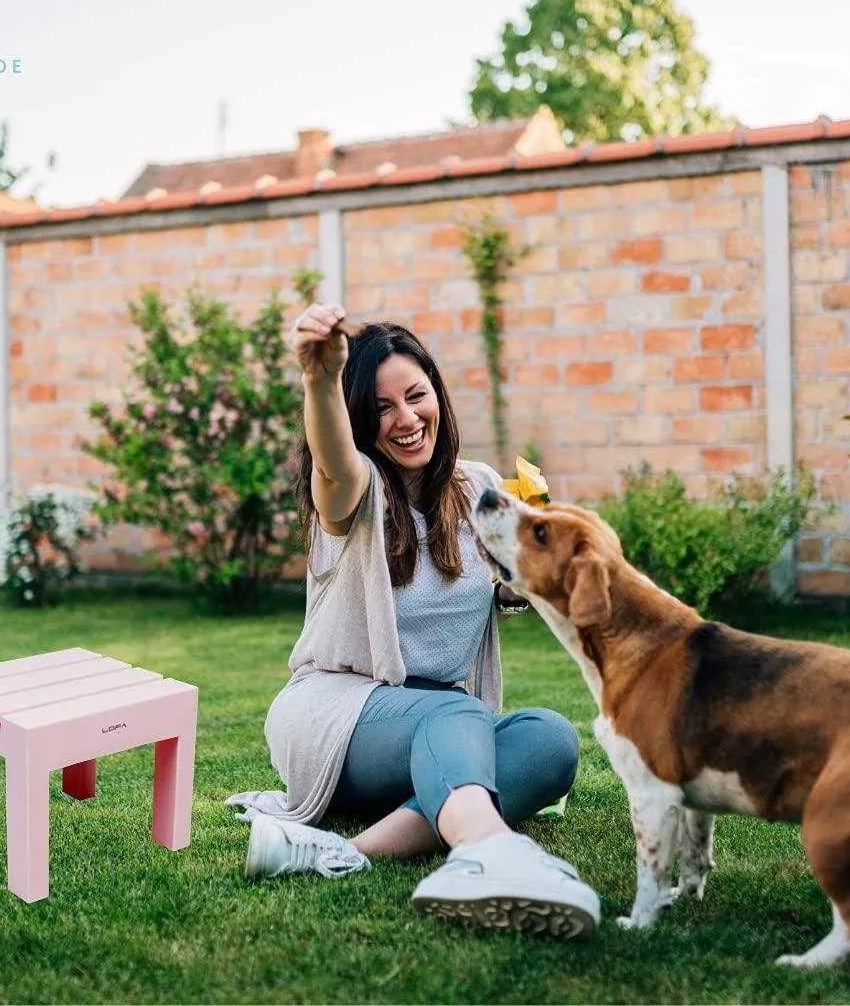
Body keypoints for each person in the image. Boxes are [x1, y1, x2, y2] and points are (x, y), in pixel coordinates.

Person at [226, 304, 600, 937]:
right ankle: (489, 853)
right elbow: (332, 467)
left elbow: (521, 585)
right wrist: (320, 382)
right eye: (379, 409)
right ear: (356, 422)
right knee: (457, 713)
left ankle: (344, 852)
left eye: (415, 396)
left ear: (438, 397)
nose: (405, 419)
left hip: (429, 737)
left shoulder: (475, 485)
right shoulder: (359, 490)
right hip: (335, 720)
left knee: (551, 740)